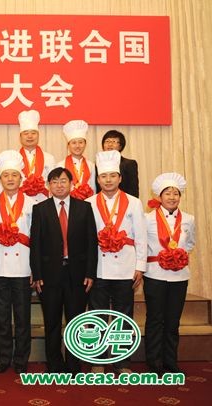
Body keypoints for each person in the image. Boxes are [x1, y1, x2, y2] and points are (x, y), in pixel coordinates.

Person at [30, 167, 98, 374]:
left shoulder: (84, 208)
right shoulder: (40, 209)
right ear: (48, 185)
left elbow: (91, 243)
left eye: (63, 181)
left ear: (71, 183)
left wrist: (90, 273)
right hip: (49, 276)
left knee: (75, 322)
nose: (59, 185)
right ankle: (54, 364)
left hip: (77, 275)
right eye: (54, 182)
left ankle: (74, 364)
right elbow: (36, 245)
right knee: (51, 322)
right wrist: (37, 275)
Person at [85, 150, 147, 375]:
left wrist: (140, 266)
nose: (108, 180)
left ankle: (122, 362)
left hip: (126, 268)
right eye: (104, 176)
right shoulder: (89, 203)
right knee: (97, 315)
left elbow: (141, 236)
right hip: (99, 268)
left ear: (120, 178)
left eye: (112, 176)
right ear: (98, 179)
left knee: (123, 316)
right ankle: (98, 360)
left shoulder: (134, 203)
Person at [0, 151, 35, 374]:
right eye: (6, 175)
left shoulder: (33, 204)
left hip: (24, 267)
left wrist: (35, 269)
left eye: (14, 175)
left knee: (23, 317)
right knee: (1, 317)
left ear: (21, 178)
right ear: (0, 178)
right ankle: (3, 358)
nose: (10, 179)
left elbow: (37, 240)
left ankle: (21, 359)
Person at [144, 173, 195, 375]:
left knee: (173, 321)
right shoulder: (147, 218)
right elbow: (143, 246)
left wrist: (177, 257)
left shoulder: (189, 219)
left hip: (180, 276)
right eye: (168, 193)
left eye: (176, 193)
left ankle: (170, 362)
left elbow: (190, 244)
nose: (172, 197)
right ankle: (154, 362)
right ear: (159, 196)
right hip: (154, 275)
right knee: (155, 319)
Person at [0, 110, 55, 205]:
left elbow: (53, 183)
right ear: (20, 137)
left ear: (38, 135)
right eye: (25, 133)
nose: (30, 136)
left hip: (44, 202)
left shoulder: (49, 158)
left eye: (33, 133)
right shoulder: (13, 157)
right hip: (19, 202)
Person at [56, 120, 96, 200]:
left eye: (80, 142)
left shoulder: (91, 165)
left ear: (85, 144)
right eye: (74, 143)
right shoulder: (60, 165)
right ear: (68, 145)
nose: (77, 146)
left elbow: (93, 188)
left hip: (87, 202)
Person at [97, 130, 139, 198]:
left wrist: (131, 202)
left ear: (120, 146)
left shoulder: (129, 164)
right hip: (102, 200)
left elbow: (133, 189)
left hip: (124, 201)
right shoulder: (98, 163)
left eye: (114, 141)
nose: (110, 144)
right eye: (107, 141)